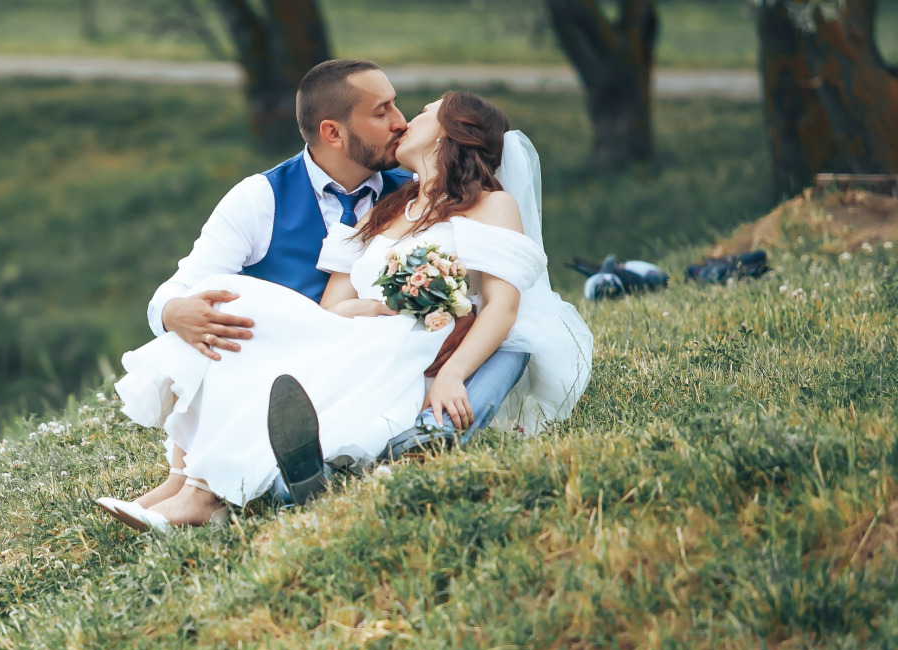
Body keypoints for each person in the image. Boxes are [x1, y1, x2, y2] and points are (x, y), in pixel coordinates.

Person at [99, 89, 592, 530]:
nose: (403, 121)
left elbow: (503, 308)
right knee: (227, 302)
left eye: (420, 113)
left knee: (238, 312)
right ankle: (184, 486)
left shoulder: (490, 205)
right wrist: (370, 308)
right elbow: (334, 302)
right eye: (390, 110)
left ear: (450, 133)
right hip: (350, 330)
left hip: (412, 346)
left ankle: (200, 498)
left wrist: (453, 375)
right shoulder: (388, 206)